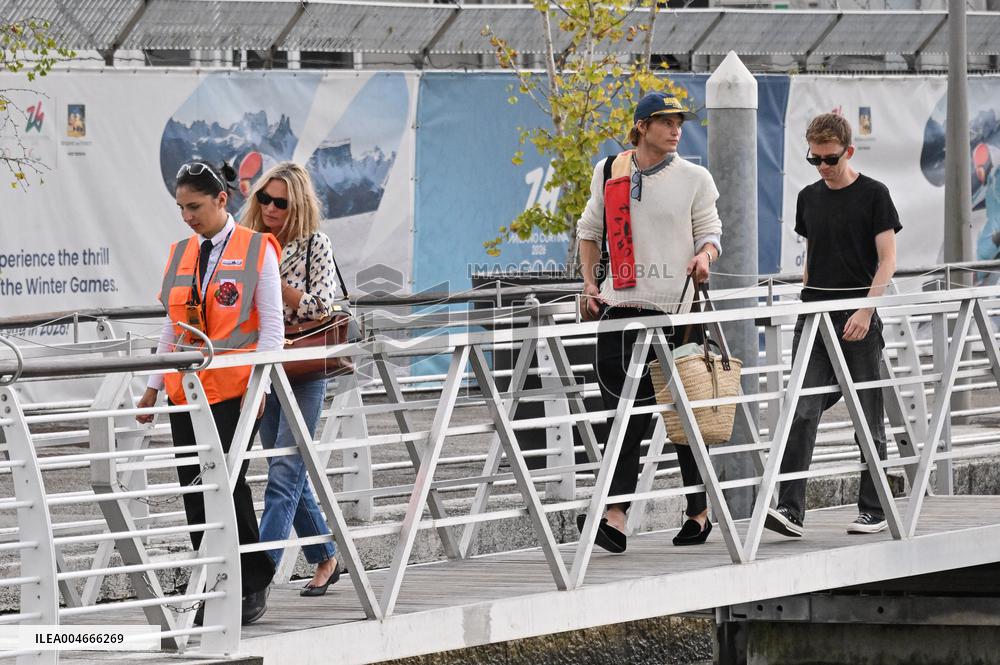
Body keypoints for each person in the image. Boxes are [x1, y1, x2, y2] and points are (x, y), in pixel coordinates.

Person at [575, 91, 723, 552]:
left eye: (680, 121)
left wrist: (704, 255)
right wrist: (588, 285)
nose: (676, 128)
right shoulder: (609, 172)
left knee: (683, 417)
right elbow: (588, 232)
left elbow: (711, 232)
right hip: (620, 309)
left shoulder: (695, 177)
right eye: (665, 121)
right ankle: (616, 518)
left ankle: (698, 511)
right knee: (625, 416)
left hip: (676, 314)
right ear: (641, 127)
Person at [136, 161, 283, 624]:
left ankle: (250, 584)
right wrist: (152, 388)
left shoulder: (258, 249)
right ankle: (213, 582)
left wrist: (261, 387)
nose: (187, 216)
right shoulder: (182, 252)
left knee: (228, 487)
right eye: (180, 207)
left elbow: (272, 329)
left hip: (236, 389)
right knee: (196, 490)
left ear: (222, 200)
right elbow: (170, 326)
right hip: (187, 391)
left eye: (195, 206)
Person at [765, 113, 901, 539]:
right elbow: (811, 255)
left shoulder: (875, 194)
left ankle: (874, 507)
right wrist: (805, 295)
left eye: (830, 158)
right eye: (815, 159)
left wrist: (865, 310)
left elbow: (889, 260)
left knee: (867, 417)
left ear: (848, 151)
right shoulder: (808, 197)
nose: (823, 166)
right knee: (800, 409)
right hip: (814, 315)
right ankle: (790, 508)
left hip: (858, 317)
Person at [242, 162, 342, 596]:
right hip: (262, 368)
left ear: (296, 204)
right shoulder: (246, 243)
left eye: (280, 201)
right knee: (284, 468)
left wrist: (272, 283)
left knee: (284, 472)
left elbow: (321, 306)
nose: (270, 207)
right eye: (264, 198)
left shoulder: (314, 244)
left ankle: (258, 581)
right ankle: (325, 556)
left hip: (303, 367)